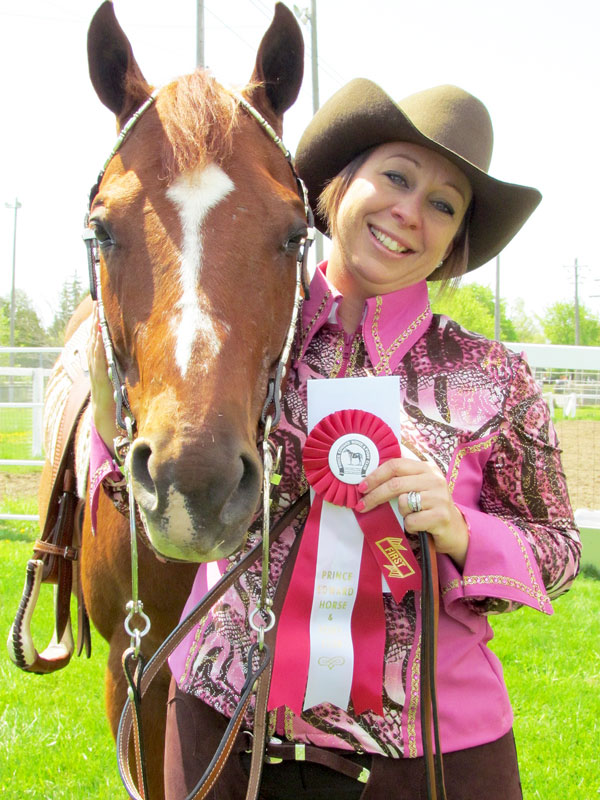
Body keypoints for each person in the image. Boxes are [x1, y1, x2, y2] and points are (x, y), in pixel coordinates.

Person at [88, 79, 581, 799]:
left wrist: (464, 530)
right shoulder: (248, 337)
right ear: (340, 184)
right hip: (224, 734)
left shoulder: (495, 379)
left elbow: (559, 551)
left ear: (454, 239)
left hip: (428, 758)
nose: (410, 212)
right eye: (396, 176)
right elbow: (160, 474)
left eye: (443, 204)